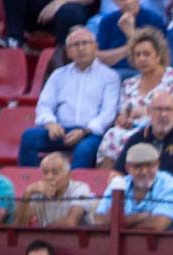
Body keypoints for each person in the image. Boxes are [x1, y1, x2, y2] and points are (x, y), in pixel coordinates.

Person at [20, 27, 121, 169]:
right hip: (60, 130)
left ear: (95, 47)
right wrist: (50, 124)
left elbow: (108, 113)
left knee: (84, 151)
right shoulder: (58, 75)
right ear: (68, 51)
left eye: (86, 43)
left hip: (90, 133)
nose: (81, 48)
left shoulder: (110, 76)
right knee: (29, 138)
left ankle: (75, 190)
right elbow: (44, 105)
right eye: (75, 45)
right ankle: (31, 185)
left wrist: (84, 131)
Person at [96, 27, 173, 169]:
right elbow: (124, 114)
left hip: (168, 129)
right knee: (112, 135)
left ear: (158, 55)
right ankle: (109, 184)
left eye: (146, 54)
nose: (142, 59)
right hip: (136, 130)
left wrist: (148, 112)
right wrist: (123, 120)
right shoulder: (129, 84)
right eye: (137, 55)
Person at [114, 90, 173, 188]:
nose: (163, 114)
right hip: (141, 196)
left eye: (168, 109)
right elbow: (117, 174)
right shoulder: (138, 138)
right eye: (158, 109)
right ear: (149, 112)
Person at [94, 142, 173, 230]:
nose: (144, 172)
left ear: (158, 164)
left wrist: (116, 224)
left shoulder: (172, 186)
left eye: (150, 165)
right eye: (138, 166)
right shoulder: (118, 184)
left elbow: (158, 225)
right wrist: (141, 216)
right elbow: (100, 220)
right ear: (127, 168)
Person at [14, 153, 95, 228]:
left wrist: (42, 232)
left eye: (55, 172)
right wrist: (27, 193)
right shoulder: (38, 191)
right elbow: (20, 225)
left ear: (68, 175)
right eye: (45, 173)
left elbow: (71, 223)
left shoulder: (80, 188)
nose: (49, 177)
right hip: (44, 241)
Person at [97, 0, 167, 80]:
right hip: (115, 72)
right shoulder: (107, 21)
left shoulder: (154, 20)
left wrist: (131, 33)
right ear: (115, 2)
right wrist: (129, 47)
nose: (127, 2)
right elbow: (100, 58)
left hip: (146, 70)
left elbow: (161, 55)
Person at [6, 0, 95, 49]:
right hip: (40, 12)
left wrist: (60, 2)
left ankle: (60, 55)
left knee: (69, 13)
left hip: (71, 6)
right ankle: (14, 41)